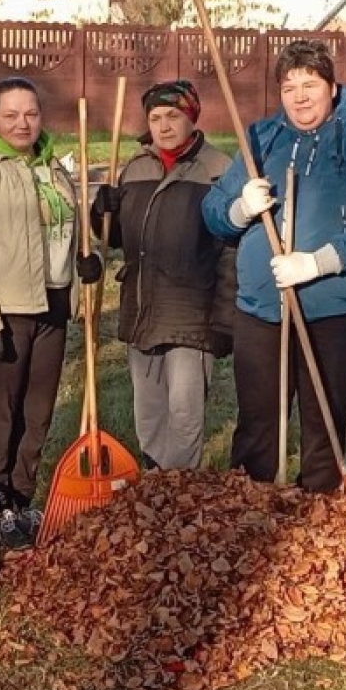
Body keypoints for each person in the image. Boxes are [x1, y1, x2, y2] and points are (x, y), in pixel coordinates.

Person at [202, 39, 346, 493]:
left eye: (310, 84)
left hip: (337, 308)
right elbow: (212, 213)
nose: (299, 96)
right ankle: (253, 512)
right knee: (257, 425)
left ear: (332, 87)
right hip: (262, 309)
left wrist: (317, 263)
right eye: (289, 87)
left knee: (324, 425)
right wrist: (240, 208)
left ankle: (317, 516)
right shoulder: (260, 139)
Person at [0, 77, 101, 548]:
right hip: (1, 306)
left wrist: (88, 260)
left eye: (30, 114)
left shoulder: (53, 169)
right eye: (10, 115)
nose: (22, 123)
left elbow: (67, 233)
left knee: (36, 411)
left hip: (51, 303)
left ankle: (21, 497)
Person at [89, 80, 234, 470]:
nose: (164, 126)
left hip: (192, 314)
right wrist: (101, 214)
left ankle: (178, 488)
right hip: (142, 309)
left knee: (185, 414)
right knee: (148, 411)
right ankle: (154, 480)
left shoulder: (218, 171)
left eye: (173, 115)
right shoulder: (136, 167)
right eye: (155, 118)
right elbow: (117, 237)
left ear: (192, 117)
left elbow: (230, 251)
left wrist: (225, 317)